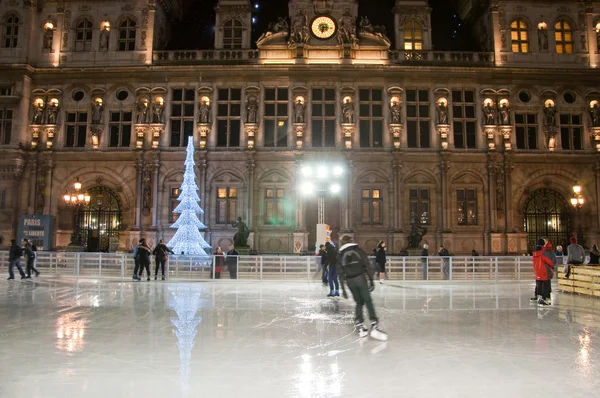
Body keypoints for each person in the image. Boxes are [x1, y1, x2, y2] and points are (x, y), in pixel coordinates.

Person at [338, 235, 387, 341]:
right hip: (360, 279)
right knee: (368, 301)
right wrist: (371, 280)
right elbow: (367, 265)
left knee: (359, 302)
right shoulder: (358, 250)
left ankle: (359, 324)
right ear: (351, 241)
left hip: (350, 282)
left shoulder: (341, 254)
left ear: (342, 243)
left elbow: (340, 273)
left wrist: (343, 289)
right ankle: (374, 323)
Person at [532, 239, 555, 306]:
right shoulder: (543, 253)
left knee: (539, 284)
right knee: (546, 285)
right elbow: (549, 262)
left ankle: (538, 297)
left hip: (537, 271)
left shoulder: (535, 253)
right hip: (544, 271)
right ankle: (543, 299)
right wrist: (552, 265)